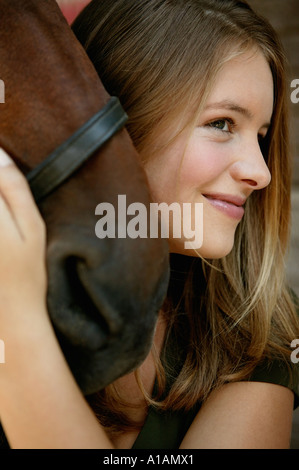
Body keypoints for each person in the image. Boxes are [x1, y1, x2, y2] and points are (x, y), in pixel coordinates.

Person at [0, 0, 298, 449]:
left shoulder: (261, 327)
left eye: (260, 136)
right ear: (119, 117)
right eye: (221, 123)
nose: (261, 173)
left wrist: (16, 323)